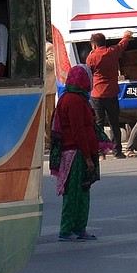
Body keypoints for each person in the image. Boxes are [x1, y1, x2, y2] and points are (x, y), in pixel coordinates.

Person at [49, 65, 101, 242]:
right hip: (76, 154)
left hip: (78, 152)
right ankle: (68, 229)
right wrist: (87, 157)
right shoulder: (75, 101)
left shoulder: (73, 98)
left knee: (82, 191)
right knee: (74, 194)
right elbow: (79, 130)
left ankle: (79, 228)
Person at [86, 30, 133, 157]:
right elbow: (122, 45)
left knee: (99, 124)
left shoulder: (91, 57)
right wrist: (126, 36)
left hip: (97, 94)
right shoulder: (112, 52)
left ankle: (100, 152)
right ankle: (117, 151)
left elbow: (87, 72)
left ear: (94, 45)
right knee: (114, 123)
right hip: (111, 93)